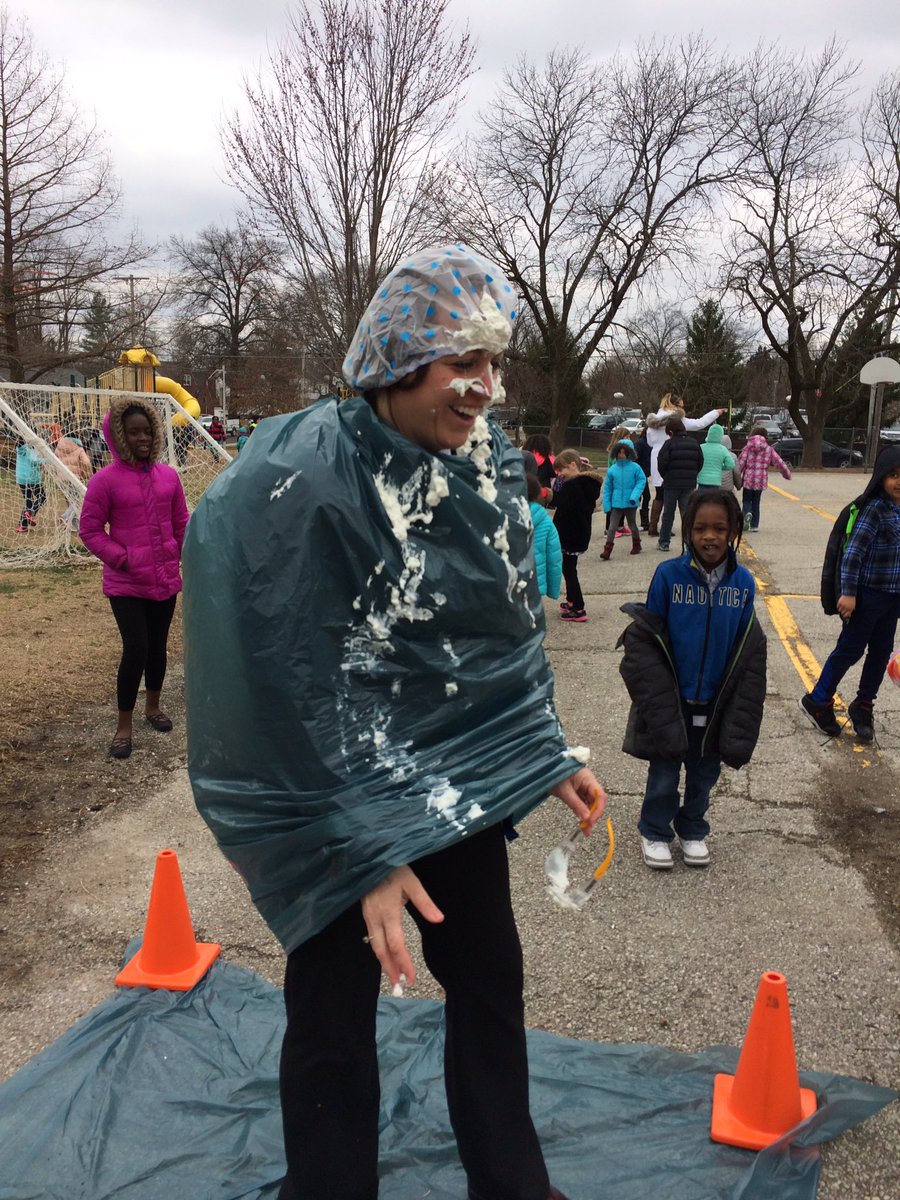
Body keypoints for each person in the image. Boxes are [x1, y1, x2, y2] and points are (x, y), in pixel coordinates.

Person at [182, 243, 605, 1200]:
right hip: (330, 800)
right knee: (333, 1019)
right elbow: (270, 683)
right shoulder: (297, 479)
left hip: (448, 794)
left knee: (490, 984)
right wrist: (359, 855)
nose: (483, 389)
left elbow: (497, 631)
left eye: (494, 364)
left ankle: (515, 1185)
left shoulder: (486, 465)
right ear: (397, 360)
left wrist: (539, 750)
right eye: (464, 363)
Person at [618, 488, 767, 869]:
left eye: (720, 527)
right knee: (665, 770)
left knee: (704, 774)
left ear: (734, 529)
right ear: (688, 531)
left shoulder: (744, 584)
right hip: (674, 696)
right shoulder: (668, 576)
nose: (710, 536)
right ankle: (654, 830)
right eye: (700, 528)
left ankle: (693, 828)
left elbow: (742, 645)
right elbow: (651, 636)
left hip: (716, 700)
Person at [79, 396, 189, 760]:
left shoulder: (169, 477)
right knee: (136, 648)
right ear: (119, 436)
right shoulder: (104, 482)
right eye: (133, 432)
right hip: (127, 583)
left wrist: (186, 554)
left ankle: (153, 707)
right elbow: (90, 530)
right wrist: (122, 559)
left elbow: (181, 524)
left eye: (147, 431)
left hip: (165, 578)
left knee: (158, 648)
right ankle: (123, 724)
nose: (142, 438)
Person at [800, 447, 900, 743]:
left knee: (881, 653)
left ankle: (864, 706)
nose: (898, 482)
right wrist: (849, 593)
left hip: (892, 599)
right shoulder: (875, 509)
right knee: (850, 649)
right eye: (893, 475)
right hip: (866, 596)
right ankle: (818, 699)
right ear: (881, 477)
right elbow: (853, 554)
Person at [644, 394, 722, 535]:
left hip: (656, 457)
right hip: (675, 457)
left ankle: (653, 525)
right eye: (681, 406)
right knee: (677, 499)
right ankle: (671, 528)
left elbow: (649, 442)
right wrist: (716, 412)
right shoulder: (676, 419)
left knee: (660, 494)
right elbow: (699, 423)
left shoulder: (653, 421)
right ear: (676, 406)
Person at [550, 448, 602, 622]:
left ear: (572, 465)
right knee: (569, 569)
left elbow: (562, 505)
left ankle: (579, 607)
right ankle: (571, 600)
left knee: (569, 571)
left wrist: (549, 495)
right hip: (579, 534)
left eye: (561, 470)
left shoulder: (573, 486)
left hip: (570, 535)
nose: (560, 474)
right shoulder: (587, 484)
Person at [656, 417, 703, 552]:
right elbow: (700, 462)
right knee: (687, 515)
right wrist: (692, 475)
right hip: (688, 483)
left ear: (670, 431)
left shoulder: (668, 444)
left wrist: (666, 476)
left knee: (668, 514)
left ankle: (664, 542)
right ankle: (690, 543)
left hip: (671, 483)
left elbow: (661, 463)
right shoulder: (694, 443)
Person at [737, 427, 792, 532]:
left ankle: (747, 514)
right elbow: (779, 462)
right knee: (756, 502)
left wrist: (736, 475)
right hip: (761, 480)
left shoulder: (747, 448)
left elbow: (740, 463)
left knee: (747, 500)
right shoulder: (769, 449)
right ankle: (754, 526)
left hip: (749, 479)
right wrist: (787, 474)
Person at [600, 437, 645, 559]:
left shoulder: (636, 467)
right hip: (616, 503)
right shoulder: (612, 470)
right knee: (612, 527)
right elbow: (607, 488)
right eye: (619, 452)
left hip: (631, 502)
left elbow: (641, 481)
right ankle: (607, 550)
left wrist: (634, 496)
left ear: (630, 453)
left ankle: (636, 544)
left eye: (624, 452)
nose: (621, 455)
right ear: (615, 453)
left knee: (632, 525)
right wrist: (607, 505)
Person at [527, 472, 563, 598]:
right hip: (535, 584)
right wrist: (553, 590)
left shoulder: (499, 517)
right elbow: (554, 559)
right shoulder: (545, 521)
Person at [15, 440, 46, 533]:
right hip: (32, 479)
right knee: (42, 497)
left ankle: (22, 526)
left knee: (29, 501)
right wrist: (48, 460)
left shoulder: (32, 449)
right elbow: (34, 460)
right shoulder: (23, 448)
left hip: (21, 478)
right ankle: (31, 513)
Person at [697, 423, 736, 490]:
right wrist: (720, 466)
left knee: (702, 499)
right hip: (715, 481)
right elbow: (731, 465)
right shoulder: (723, 449)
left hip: (702, 480)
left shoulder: (701, 447)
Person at [633, 425, 652, 529]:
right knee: (642, 497)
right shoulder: (641, 443)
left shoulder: (649, 444)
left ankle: (644, 522)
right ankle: (643, 521)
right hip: (639, 475)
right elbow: (635, 458)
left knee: (645, 497)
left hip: (644, 474)